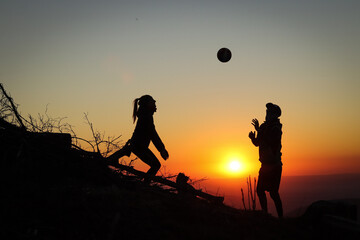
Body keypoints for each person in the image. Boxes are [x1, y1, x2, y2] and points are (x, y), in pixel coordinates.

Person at [107, 95, 169, 183]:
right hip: (139, 147)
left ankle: (108, 160)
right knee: (156, 165)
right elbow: (152, 134)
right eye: (152, 101)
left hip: (137, 146)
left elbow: (147, 133)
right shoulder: (146, 117)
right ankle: (145, 184)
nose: (155, 102)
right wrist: (162, 149)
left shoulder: (145, 115)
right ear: (147, 104)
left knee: (155, 164)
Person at [249, 103, 283, 218]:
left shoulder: (276, 128)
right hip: (265, 165)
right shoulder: (264, 127)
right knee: (260, 190)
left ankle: (280, 218)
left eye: (269, 112)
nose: (267, 114)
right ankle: (266, 214)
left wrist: (259, 130)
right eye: (267, 112)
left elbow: (271, 140)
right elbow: (258, 143)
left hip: (274, 165)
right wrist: (253, 138)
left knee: (273, 193)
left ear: (275, 115)